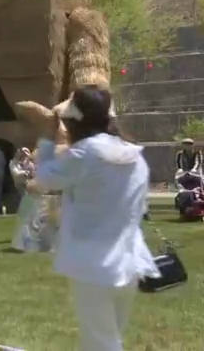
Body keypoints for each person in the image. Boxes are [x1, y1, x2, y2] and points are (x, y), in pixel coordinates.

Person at [35, 86, 160, 351]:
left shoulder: (83, 155)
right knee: (108, 339)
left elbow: (45, 176)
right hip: (129, 260)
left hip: (93, 263)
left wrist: (47, 138)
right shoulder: (135, 157)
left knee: (100, 343)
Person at [9, 148, 50, 252]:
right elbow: (17, 173)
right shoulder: (15, 163)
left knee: (37, 218)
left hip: (36, 192)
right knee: (28, 217)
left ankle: (38, 241)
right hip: (28, 190)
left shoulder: (34, 165)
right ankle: (27, 242)